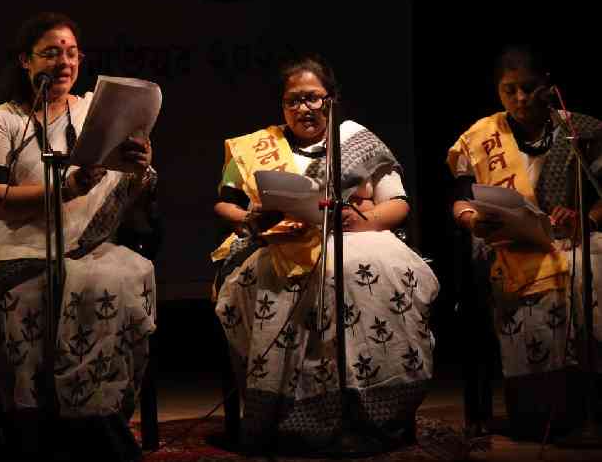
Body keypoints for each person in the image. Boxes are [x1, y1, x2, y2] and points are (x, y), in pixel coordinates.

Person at [213, 53, 438, 453]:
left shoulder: (356, 141)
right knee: (274, 277)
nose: (304, 108)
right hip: (280, 243)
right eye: (294, 100)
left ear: (331, 100)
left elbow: (398, 204)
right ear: (282, 106)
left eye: (314, 98)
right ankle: (292, 418)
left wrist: (360, 221)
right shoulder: (257, 147)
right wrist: (250, 217)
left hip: (357, 237)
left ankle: (370, 411)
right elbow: (224, 204)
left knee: (360, 269)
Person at [0, 12, 156, 461]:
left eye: (71, 52)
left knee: (117, 284)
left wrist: (140, 163)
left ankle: (96, 425)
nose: (64, 61)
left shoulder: (96, 110)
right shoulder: (5, 119)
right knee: (28, 302)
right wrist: (65, 187)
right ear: (25, 62)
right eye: (51, 52)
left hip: (89, 246)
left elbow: (133, 186)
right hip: (20, 247)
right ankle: (35, 435)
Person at [447, 45, 602, 439]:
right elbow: (462, 199)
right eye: (508, 90)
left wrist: (584, 216)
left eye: (528, 88)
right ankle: (539, 411)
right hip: (506, 241)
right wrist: (471, 221)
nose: (519, 99)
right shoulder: (481, 137)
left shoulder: (578, 130)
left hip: (572, 238)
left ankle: (588, 408)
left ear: (548, 85)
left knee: (587, 270)